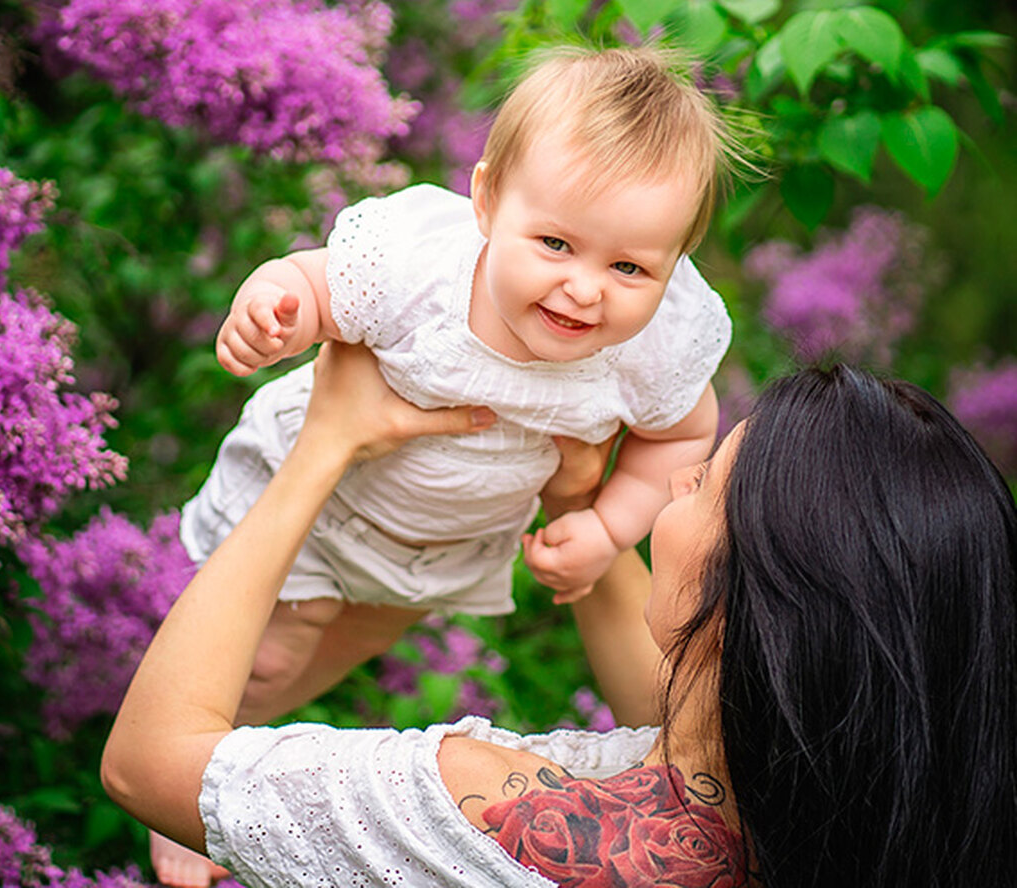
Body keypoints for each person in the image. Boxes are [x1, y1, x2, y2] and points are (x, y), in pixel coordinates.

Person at [155, 43, 746, 886]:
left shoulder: (658, 343)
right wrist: (275, 309)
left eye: (629, 267)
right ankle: (197, 786)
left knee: (362, 636)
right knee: (280, 656)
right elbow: (317, 287)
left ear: (676, 261)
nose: (584, 289)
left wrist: (607, 524)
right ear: (486, 202)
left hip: (449, 543)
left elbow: (680, 438)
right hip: (327, 504)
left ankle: (225, 736)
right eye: (554, 243)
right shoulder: (422, 266)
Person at [105, 341, 1017, 887]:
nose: (666, 496)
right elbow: (673, 718)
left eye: (699, 484)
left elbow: (150, 766)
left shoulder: (477, 811)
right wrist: (579, 495)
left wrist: (325, 445)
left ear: (760, 589)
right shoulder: (819, 822)